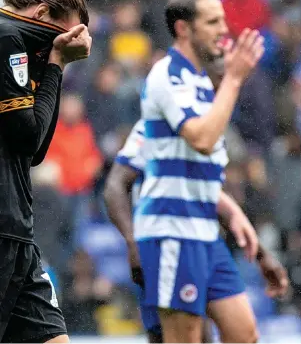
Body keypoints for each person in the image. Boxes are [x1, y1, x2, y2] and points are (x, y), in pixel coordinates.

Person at [134, 0, 278, 343]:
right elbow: (200, 138)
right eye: (213, 21)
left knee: (244, 334)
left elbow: (198, 165)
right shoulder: (167, 75)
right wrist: (232, 79)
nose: (223, 29)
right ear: (184, 29)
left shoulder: (201, 82)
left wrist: (232, 212)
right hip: (172, 230)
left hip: (204, 232)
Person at [104, 117, 289, 343]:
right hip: (165, 242)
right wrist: (132, 242)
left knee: (242, 335)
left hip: (205, 242)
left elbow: (211, 195)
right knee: (174, 336)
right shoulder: (155, 125)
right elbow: (115, 185)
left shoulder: (215, 129)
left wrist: (260, 253)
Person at [0, 0, 91, 343]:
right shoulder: (7, 38)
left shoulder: (19, 42)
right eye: (65, 35)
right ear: (40, 12)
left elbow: (32, 151)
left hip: (17, 230)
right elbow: (28, 138)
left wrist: (56, 64)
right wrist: (56, 65)